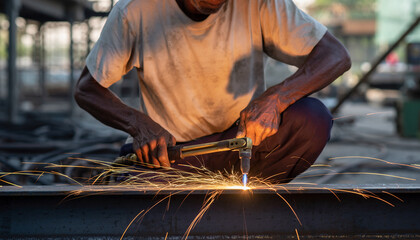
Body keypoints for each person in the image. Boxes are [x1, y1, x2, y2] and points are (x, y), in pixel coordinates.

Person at [75, 0, 351, 182]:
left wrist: (277, 99)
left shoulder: (258, 3)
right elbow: (87, 89)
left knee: (312, 120)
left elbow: (335, 55)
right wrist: (138, 125)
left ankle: (251, 194)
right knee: (138, 195)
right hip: (175, 158)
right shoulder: (135, 10)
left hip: (243, 146)